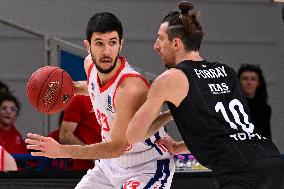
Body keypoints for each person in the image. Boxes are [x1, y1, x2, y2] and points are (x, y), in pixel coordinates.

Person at [126, 1, 284, 189]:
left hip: (239, 172)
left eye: (160, 39)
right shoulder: (227, 71)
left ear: (176, 43)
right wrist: (178, 147)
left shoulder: (170, 78)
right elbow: (228, 131)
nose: (156, 46)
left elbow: (133, 135)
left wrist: (168, 114)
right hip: (272, 160)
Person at [26, 12, 174, 189]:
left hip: (145, 166)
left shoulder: (131, 88)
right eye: (99, 43)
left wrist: (61, 151)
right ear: (88, 46)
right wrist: (73, 88)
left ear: (121, 44)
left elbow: (117, 146)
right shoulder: (90, 65)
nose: (106, 51)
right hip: (110, 166)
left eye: (112, 42)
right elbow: (95, 86)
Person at [59, 95, 101, 170]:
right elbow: (65, 135)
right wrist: (92, 155)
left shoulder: (120, 95)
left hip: (119, 168)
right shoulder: (79, 98)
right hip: (87, 170)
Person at [237, 64, 272, 140]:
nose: (249, 83)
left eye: (253, 79)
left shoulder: (265, 109)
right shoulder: (231, 106)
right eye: (245, 79)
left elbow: (266, 135)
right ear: (238, 82)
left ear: (259, 83)